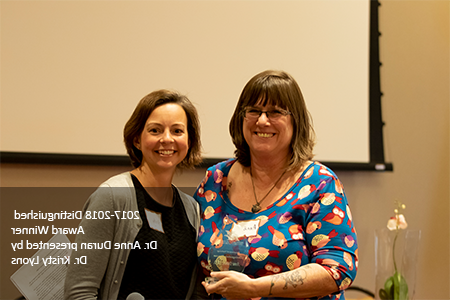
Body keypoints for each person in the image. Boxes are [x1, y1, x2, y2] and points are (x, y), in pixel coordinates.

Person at [194, 70, 358, 300]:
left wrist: (255, 288)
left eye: (275, 112)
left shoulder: (319, 183)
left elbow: (338, 271)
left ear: (295, 121)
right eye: (253, 111)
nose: (262, 120)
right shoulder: (216, 179)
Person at [64, 89, 202, 300]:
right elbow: (79, 292)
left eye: (177, 131)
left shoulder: (191, 208)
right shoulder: (112, 197)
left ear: (189, 141)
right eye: (155, 130)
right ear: (137, 140)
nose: (167, 139)